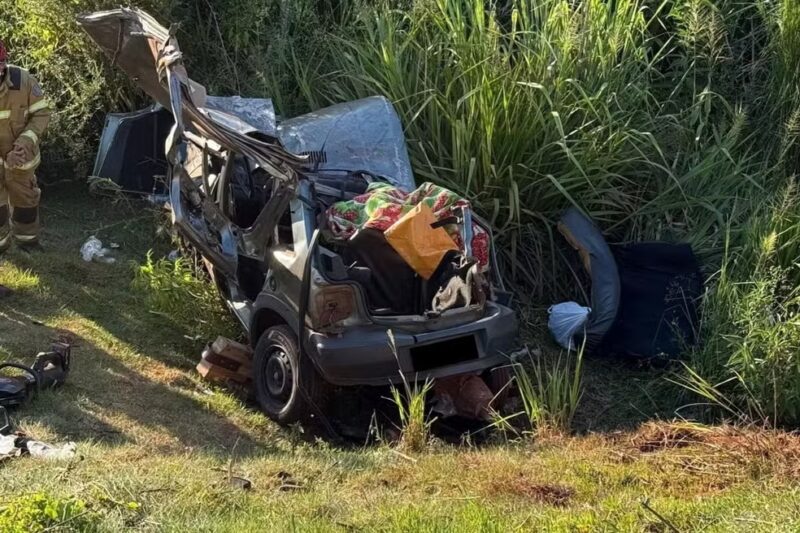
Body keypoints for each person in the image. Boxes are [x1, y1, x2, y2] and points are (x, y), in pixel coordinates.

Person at [0, 39, 50, 251]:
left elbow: (42, 113)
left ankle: (28, 243)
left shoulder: (24, 80)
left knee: (25, 203)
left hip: (22, 160)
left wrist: (24, 143)